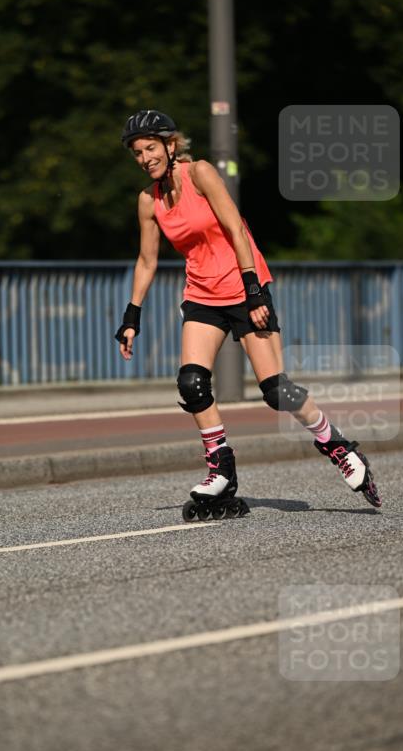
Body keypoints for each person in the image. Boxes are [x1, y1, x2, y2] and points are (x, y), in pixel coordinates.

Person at [115, 110, 381, 519]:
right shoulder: (148, 200)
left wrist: (255, 290)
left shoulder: (200, 173)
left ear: (170, 145)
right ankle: (220, 468)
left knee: (276, 391)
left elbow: (236, 229)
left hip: (243, 288)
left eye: (151, 148)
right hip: (201, 295)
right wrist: (132, 315)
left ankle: (338, 445)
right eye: (137, 152)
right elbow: (146, 261)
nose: (145, 157)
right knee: (192, 383)